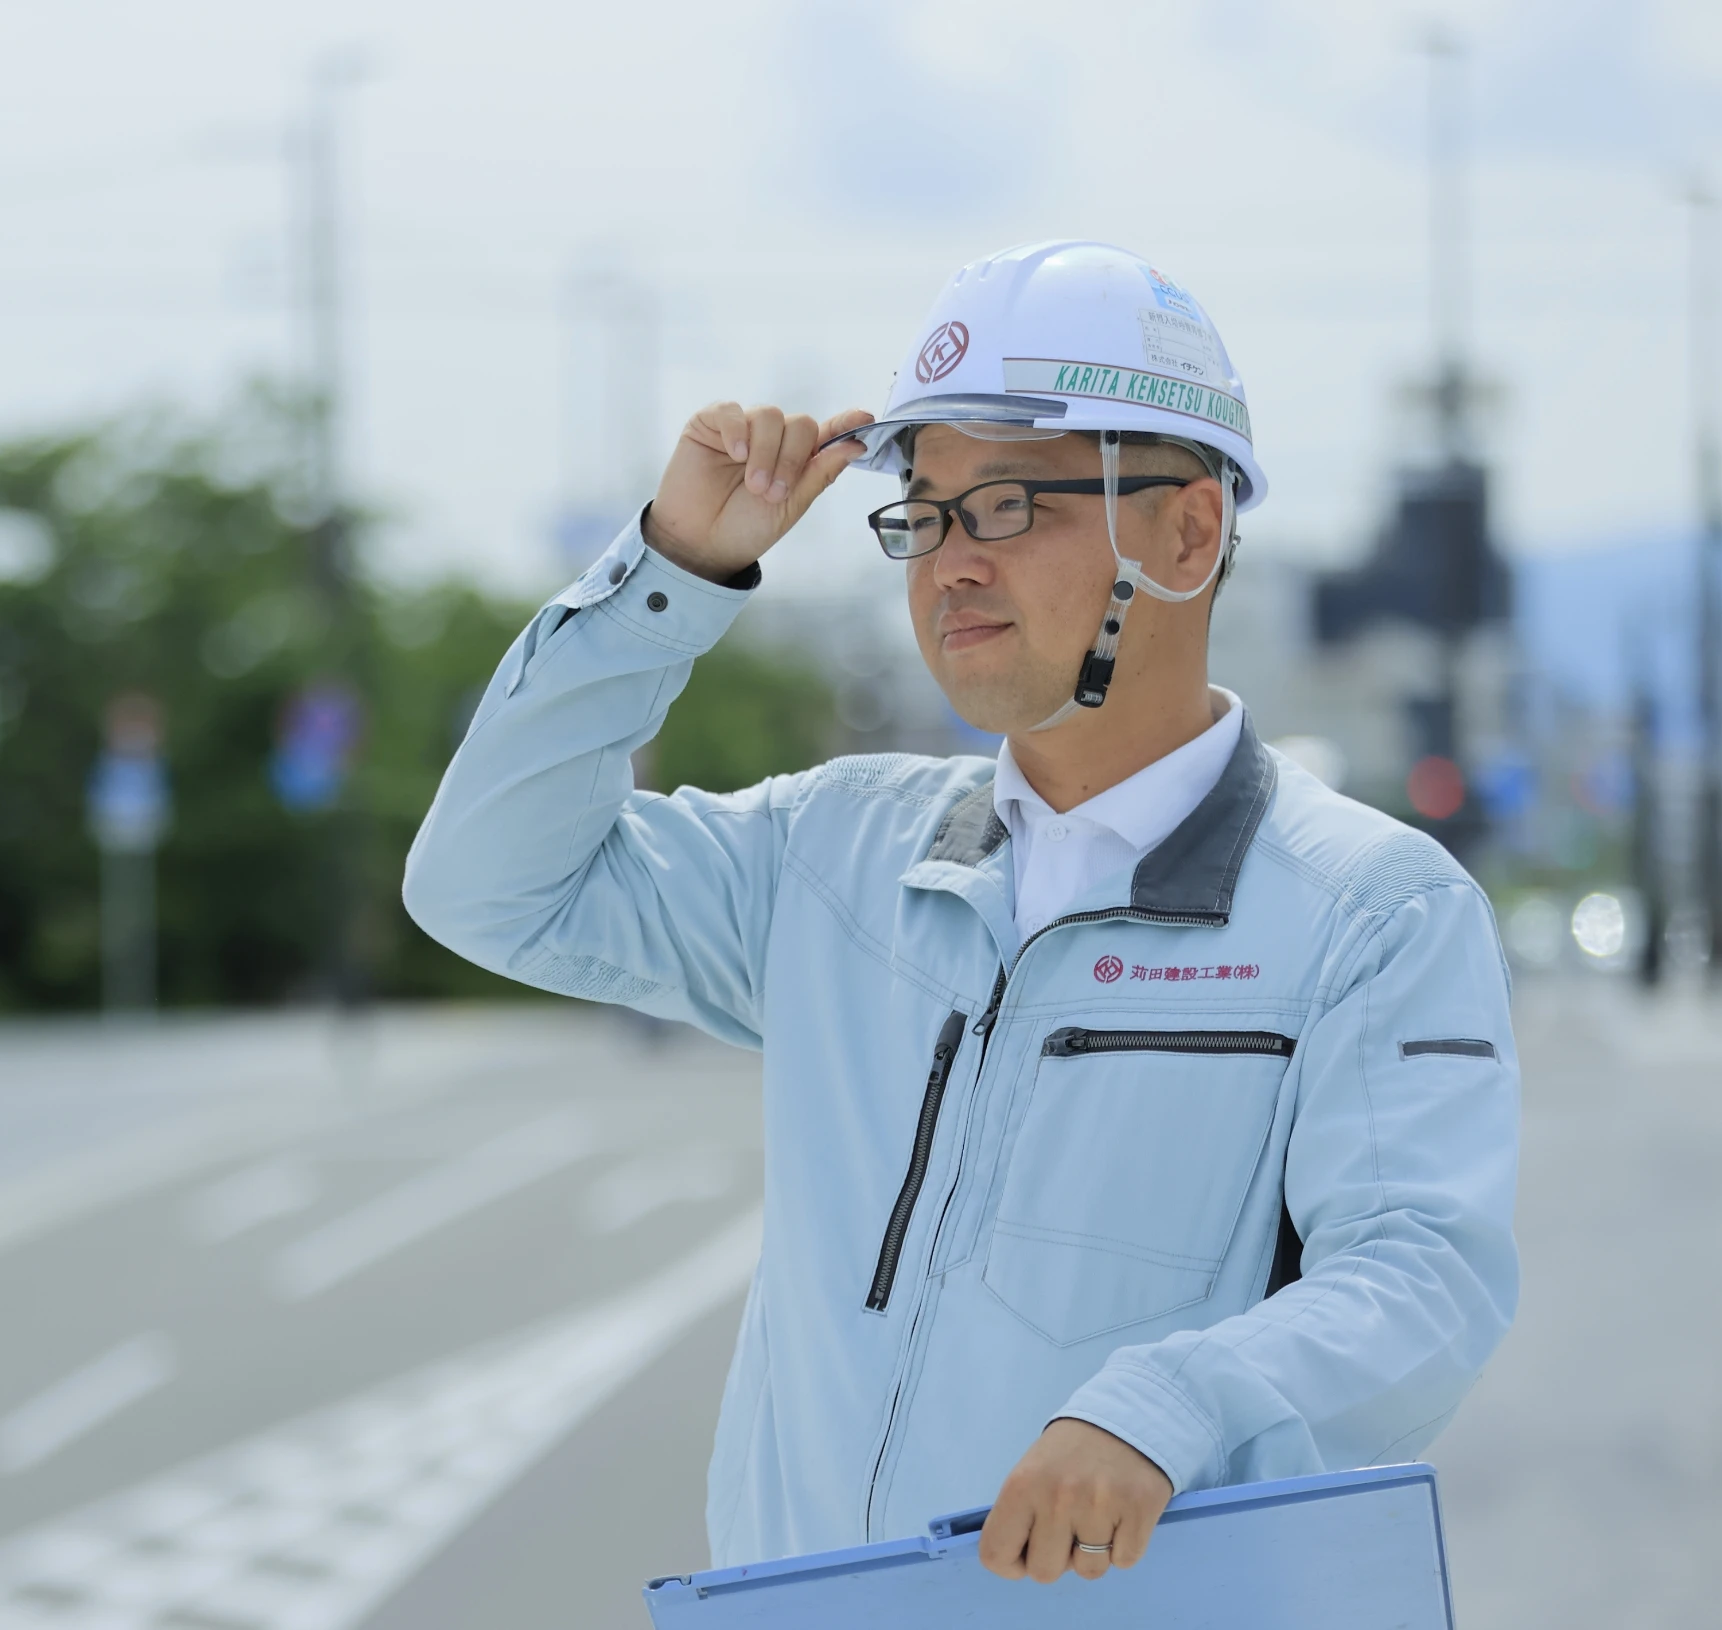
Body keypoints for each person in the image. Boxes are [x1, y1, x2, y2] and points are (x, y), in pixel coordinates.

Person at [401, 241, 1518, 1586]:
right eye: (924, 513)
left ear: (1189, 528)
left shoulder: (1369, 913)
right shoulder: (829, 854)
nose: (948, 565)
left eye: (1007, 505)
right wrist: (672, 571)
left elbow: (1422, 1278)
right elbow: (488, 881)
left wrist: (1163, 1406)